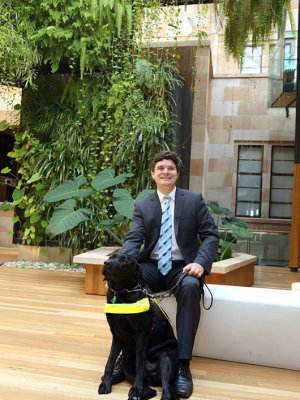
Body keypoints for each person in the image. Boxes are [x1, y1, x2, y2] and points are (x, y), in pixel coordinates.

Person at [122, 150, 219, 398]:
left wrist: (200, 262)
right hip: (152, 265)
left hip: (182, 265)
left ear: (177, 173)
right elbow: (135, 239)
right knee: (123, 286)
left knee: (188, 286)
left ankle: (183, 365)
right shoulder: (143, 204)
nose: (166, 172)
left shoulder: (193, 200)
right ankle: (127, 353)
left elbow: (210, 234)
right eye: (161, 168)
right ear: (153, 174)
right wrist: (123, 263)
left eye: (171, 168)